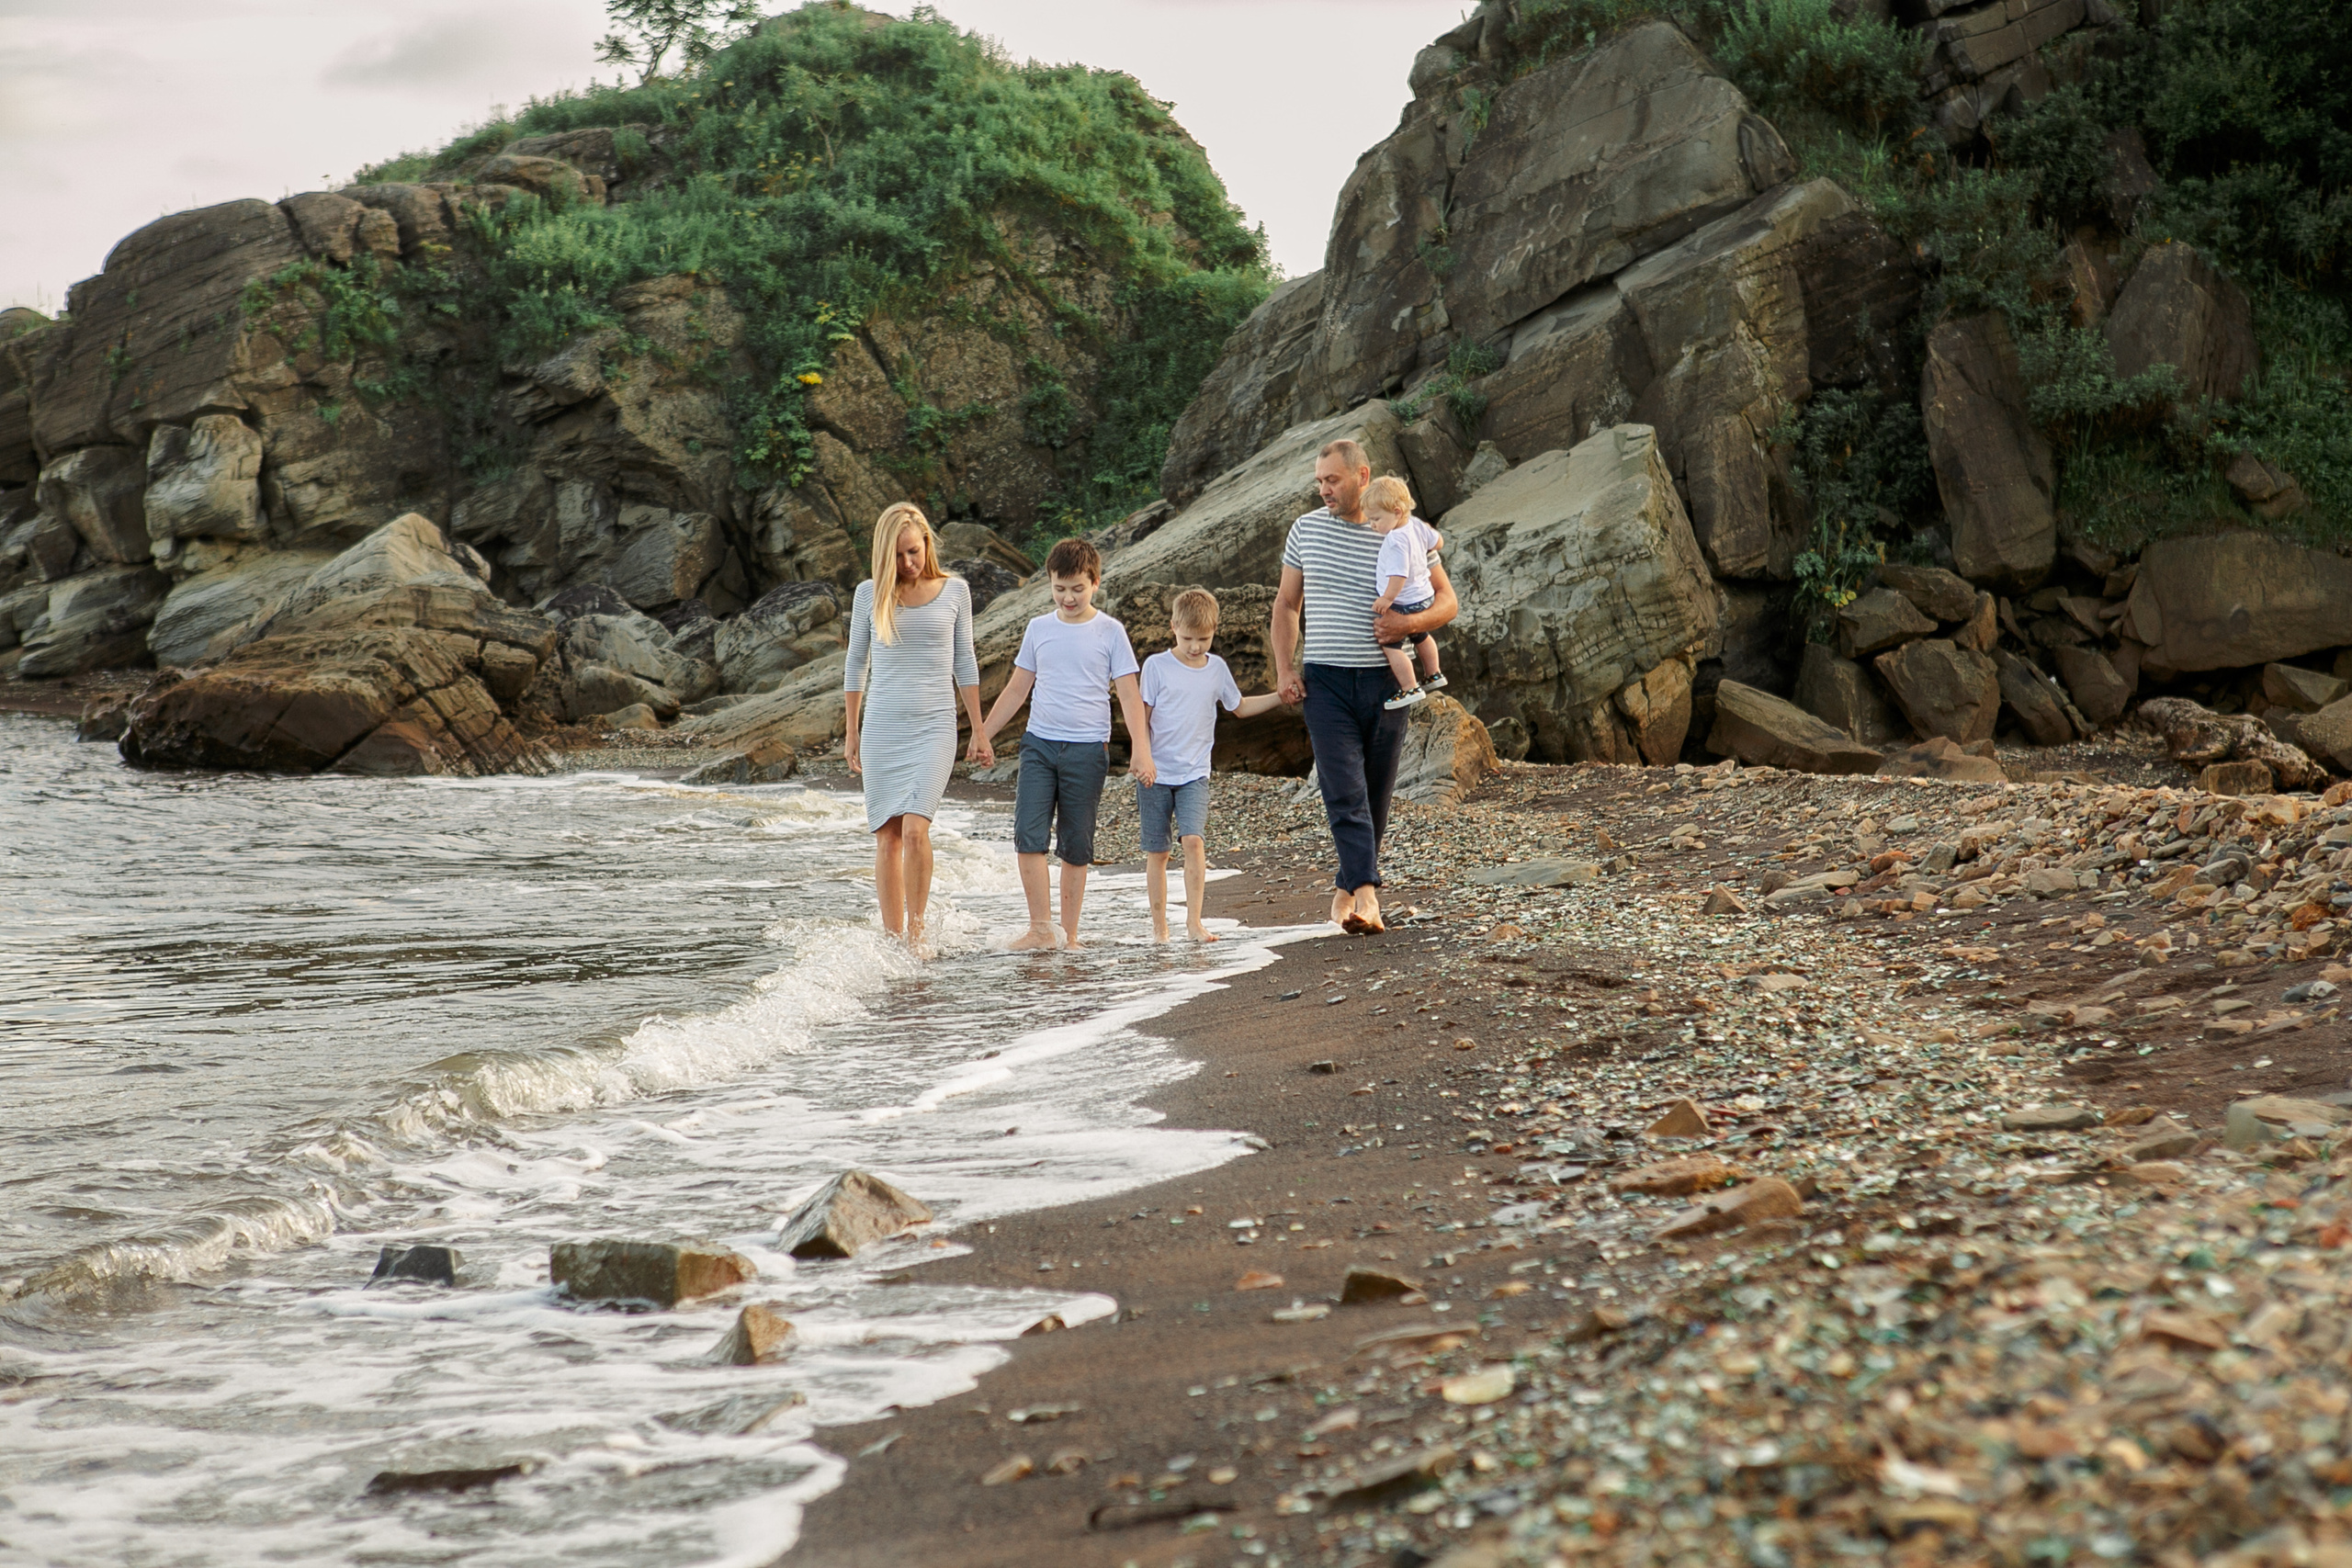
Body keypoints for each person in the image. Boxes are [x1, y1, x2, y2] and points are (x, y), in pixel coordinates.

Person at [1272, 438, 1459, 935]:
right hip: (1325, 681)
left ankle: (1346, 887)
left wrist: (1402, 627)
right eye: (1318, 481)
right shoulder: (1306, 529)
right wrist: (1285, 669)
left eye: (1332, 480)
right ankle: (1369, 898)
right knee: (1343, 789)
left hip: (1385, 682)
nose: (1324, 490)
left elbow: (1447, 602)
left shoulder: (1401, 530)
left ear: (1361, 476)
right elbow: (1287, 604)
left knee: (1374, 792)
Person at [978, 537, 1154, 951]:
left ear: (1095, 582)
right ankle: (1041, 928)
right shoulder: (1039, 628)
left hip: (1088, 749)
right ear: (1050, 584)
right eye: (1060, 589)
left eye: (1077, 588)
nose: (1068, 597)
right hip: (1039, 744)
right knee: (1028, 834)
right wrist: (983, 733)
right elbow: (1018, 688)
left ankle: (1069, 936)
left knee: (1076, 844)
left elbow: (1130, 695)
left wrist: (1141, 750)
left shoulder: (1111, 631)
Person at [842, 502, 991, 955]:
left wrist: (979, 731)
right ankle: (892, 941)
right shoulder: (870, 595)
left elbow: (964, 662)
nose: (908, 563)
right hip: (883, 725)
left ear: (927, 542)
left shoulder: (955, 592)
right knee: (886, 835)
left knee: (913, 828)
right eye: (899, 557)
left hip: (935, 725)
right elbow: (855, 664)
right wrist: (852, 731)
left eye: (914, 551)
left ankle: (918, 932)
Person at [1136, 588, 1287, 942]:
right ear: (1173, 627)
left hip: (1194, 774)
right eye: (1188, 638)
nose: (1195, 647)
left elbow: (1240, 707)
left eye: (1203, 639)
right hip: (1155, 773)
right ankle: (1160, 930)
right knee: (1158, 852)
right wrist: (1140, 758)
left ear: (1214, 630)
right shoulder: (1156, 666)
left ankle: (1194, 923)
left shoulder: (1216, 668)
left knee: (1194, 841)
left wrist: (1280, 697)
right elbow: (1141, 718)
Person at [1365, 475, 1447, 710]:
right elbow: (1438, 542)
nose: (1373, 525)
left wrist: (1387, 599)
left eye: (1377, 519)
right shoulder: (1418, 525)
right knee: (1421, 635)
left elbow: (1398, 575)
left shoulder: (1395, 540)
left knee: (1391, 646)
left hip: (1403, 601)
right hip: (1424, 597)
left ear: (1397, 511)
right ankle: (1434, 673)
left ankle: (1410, 687)